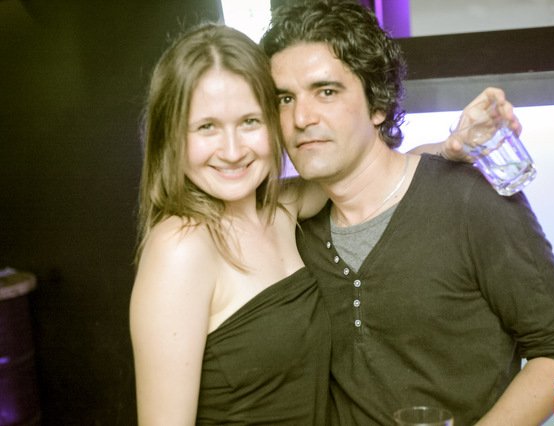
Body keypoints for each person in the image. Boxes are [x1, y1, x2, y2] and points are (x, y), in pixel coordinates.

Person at [129, 21, 479, 425]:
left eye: (249, 122)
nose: (232, 150)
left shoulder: (280, 207)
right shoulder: (180, 248)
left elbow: (368, 170)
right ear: (172, 137)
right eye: (207, 127)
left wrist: (451, 146)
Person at [261, 1, 554, 425]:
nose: (301, 118)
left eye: (326, 92)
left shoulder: (469, 198)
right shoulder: (291, 229)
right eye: (285, 98)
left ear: (377, 105)